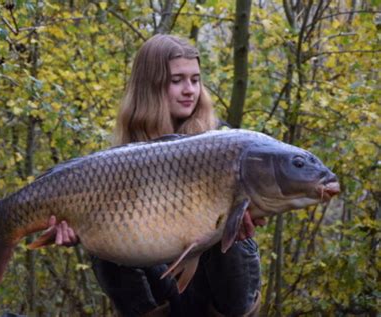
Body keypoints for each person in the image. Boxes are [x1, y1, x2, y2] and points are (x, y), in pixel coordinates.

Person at [40, 34, 264, 316]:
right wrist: (79, 227)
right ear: (150, 86)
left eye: (195, 80)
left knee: (228, 230)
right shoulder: (118, 160)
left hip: (222, 293)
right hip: (161, 291)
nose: (189, 90)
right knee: (104, 238)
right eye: (177, 80)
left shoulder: (222, 144)